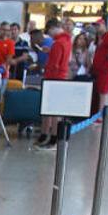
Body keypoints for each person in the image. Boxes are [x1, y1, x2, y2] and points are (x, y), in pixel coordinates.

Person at [36, 18, 71, 149]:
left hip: (53, 78)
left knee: (51, 110)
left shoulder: (57, 43)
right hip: (61, 77)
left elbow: (54, 64)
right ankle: (49, 135)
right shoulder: (66, 41)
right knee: (55, 110)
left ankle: (52, 137)